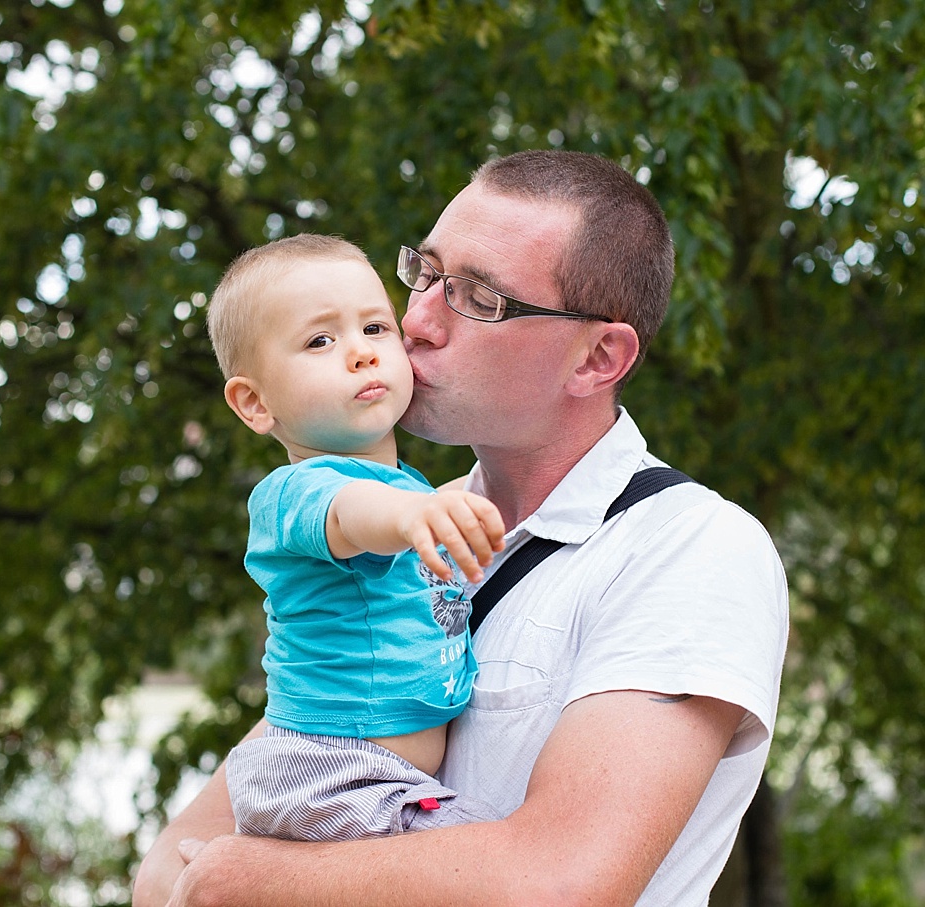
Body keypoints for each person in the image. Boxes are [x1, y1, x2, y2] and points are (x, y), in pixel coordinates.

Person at [133, 149, 789, 907]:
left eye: (479, 297)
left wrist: (249, 879)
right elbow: (174, 866)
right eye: (425, 273)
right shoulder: (399, 530)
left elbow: (562, 883)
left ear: (597, 357)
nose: (415, 322)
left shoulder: (691, 549)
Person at [204, 234, 506, 841]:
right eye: (320, 340)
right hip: (329, 775)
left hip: (380, 780)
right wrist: (411, 517)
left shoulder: (409, 487)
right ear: (255, 403)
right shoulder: (292, 494)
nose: (361, 354)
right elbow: (348, 515)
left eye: (375, 328)